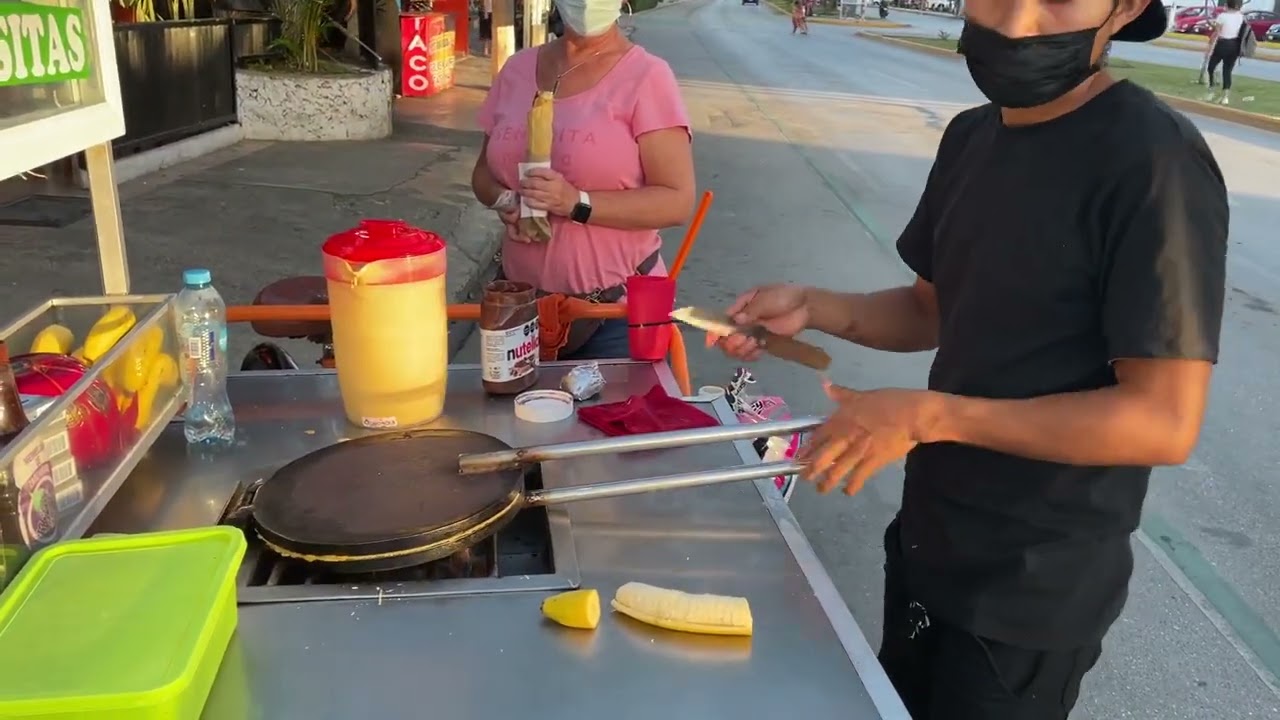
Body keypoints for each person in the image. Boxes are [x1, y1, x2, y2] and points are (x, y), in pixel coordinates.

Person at [714, 0, 1227, 718]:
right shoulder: (970, 138)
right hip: (930, 542)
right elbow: (933, 308)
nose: (1016, 22)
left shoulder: (1153, 162)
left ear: (1127, 8)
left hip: (1030, 590)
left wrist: (927, 414)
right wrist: (816, 306)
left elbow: (1163, 420)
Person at [471, 0, 695, 360]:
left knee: (613, 417)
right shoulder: (517, 69)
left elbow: (677, 200)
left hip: (615, 313)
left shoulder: (647, 77)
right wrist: (505, 200)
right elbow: (483, 173)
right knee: (512, 416)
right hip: (519, 307)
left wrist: (576, 201)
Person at [1205, 0, 1245, 105]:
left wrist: (1210, 47)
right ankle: (1225, 97)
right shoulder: (1240, 17)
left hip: (1222, 44)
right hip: (1235, 45)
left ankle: (1211, 92)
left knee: (1211, 67)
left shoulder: (1222, 16)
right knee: (1227, 71)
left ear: (1226, 5)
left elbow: (1217, 32)